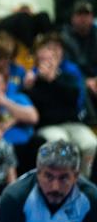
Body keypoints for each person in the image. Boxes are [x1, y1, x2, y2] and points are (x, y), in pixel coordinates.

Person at [24, 33, 97, 173]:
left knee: (91, 144)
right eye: (47, 51)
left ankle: (82, 183)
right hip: (47, 126)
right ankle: (64, 184)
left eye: (54, 53)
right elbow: (34, 105)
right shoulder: (31, 79)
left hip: (72, 124)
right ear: (38, 56)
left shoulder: (67, 76)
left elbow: (73, 97)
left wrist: (53, 80)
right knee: (64, 146)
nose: (50, 57)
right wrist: (29, 86)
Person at [61, 0, 97, 86]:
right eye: (79, 14)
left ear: (92, 17)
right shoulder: (64, 38)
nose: (83, 18)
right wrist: (85, 81)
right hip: (76, 80)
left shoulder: (95, 33)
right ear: (72, 18)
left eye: (87, 14)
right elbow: (67, 67)